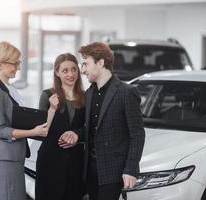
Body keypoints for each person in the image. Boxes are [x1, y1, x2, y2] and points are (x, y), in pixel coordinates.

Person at [59, 42, 145, 200]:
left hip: (113, 172)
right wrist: (77, 134)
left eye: (86, 64)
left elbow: (137, 134)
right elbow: (93, 130)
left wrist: (131, 169)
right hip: (90, 170)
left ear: (101, 62)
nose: (82, 70)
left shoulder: (126, 92)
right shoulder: (90, 93)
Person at [0, 41, 47, 200]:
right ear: (2, 63)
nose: (18, 67)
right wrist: (33, 132)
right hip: (5, 158)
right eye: (15, 63)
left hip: (14, 157)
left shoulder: (7, 88)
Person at [35, 53, 85, 200]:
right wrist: (51, 109)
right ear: (57, 72)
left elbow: (90, 128)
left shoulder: (85, 97)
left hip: (76, 162)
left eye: (73, 69)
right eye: (65, 71)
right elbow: (40, 132)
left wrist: (77, 135)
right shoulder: (47, 95)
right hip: (50, 160)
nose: (71, 74)